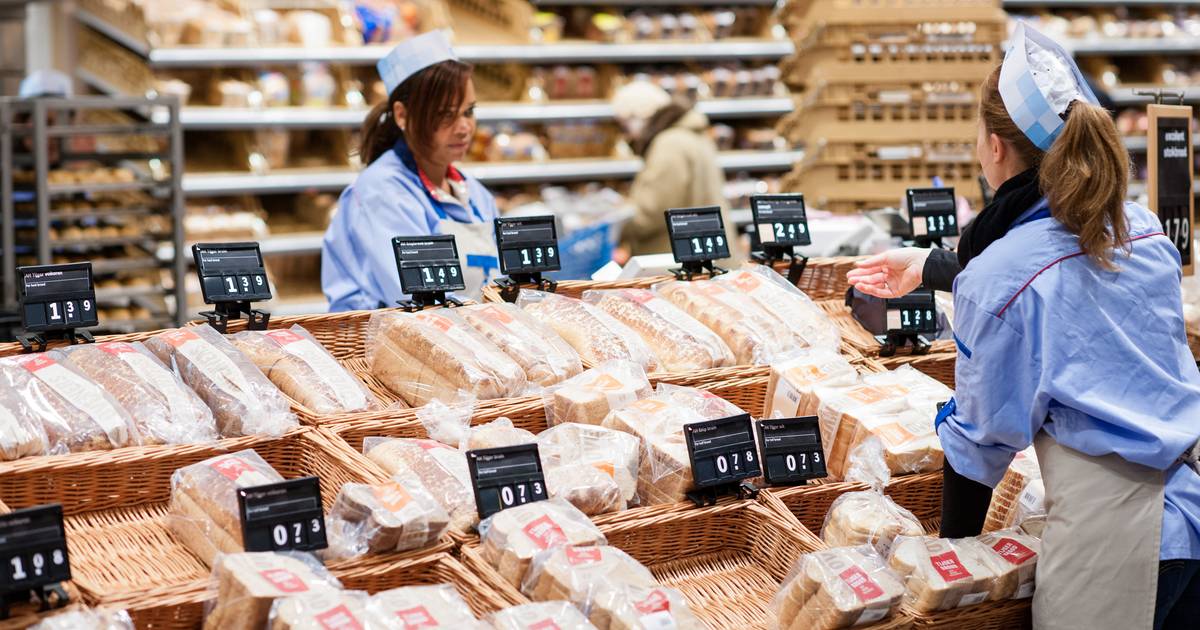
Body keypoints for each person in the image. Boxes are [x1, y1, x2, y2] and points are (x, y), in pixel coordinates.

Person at [847, 23, 1200, 629]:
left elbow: (980, 441)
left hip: (1115, 547)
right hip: (1190, 513)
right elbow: (1063, 271)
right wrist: (934, 266)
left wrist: (948, 565)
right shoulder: (1139, 227)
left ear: (995, 147)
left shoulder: (1003, 275)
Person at [322, 30, 499, 310]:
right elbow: (417, 303)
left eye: (468, 112)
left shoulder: (474, 193)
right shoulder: (381, 191)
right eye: (446, 114)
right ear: (403, 115)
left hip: (467, 337)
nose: (464, 127)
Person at [611, 81, 739, 262]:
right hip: (706, 255)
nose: (628, 136)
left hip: (680, 262)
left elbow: (651, 212)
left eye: (624, 127)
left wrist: (613, 227)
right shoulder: (691, 135)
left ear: (638, 117)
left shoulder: (669, 144)